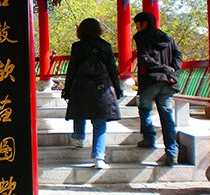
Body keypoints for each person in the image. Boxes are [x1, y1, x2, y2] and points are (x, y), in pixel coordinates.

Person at [62, 18, 122, 169]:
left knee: (80, 111)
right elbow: (113, 70)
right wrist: (118, 89)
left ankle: (78, 137)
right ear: (98, 30)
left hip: (80, 85)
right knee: (100, 123)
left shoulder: (77, 47)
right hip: (101, 87)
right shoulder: (106, 46)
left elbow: (72, 70)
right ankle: (98, 157)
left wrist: (67, 90)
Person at [133, 11, 183, 166]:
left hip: (151, 81)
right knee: (167, 118)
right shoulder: (167, 38)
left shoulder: (141, 37)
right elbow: (179, 55)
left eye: (137, 24)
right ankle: (172, 152)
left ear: (144, 23)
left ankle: (149, 138)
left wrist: (163, 69)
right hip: (168, 83)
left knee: (145, 109)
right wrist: (172, 71)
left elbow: (144, 58)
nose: (137, 28)